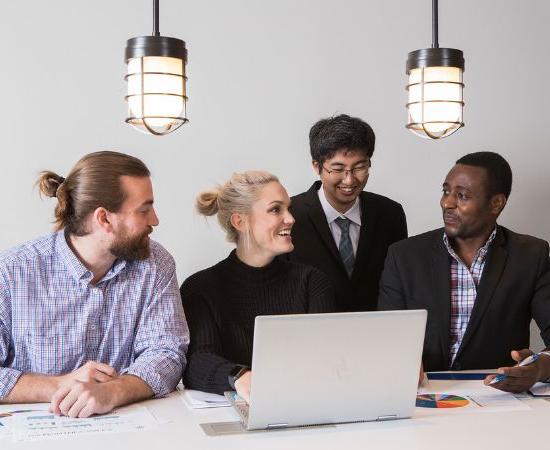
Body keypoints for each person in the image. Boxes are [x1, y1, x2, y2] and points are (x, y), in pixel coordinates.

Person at [0, 151, 189, 416]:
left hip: (132, 431)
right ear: (104, 219)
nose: (155, 220)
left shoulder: (156, 263)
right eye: (144, 210)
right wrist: (59, 386)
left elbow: (166, 353)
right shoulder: (11, 272)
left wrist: (113, 391)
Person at [378, 151, 550, 393]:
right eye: (446, 191)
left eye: (462, 196)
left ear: (496, 203)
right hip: (420, 397)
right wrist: (399, 359)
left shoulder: (531, 255)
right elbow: (385, 336)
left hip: (497, 400)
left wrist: (539, 368)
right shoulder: (404, 255)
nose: (447, 202)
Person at [180, 171, 335, 402]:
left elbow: (329, 358)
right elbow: (197, 362)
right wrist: (240, 376)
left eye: (288, 208)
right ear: (240, 221)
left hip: (306, 408)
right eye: (275, 209)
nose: (291, 218)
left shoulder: (312, 282)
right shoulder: (201, 288)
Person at [288, 114, 407, 312]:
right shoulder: (290, 215)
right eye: (338, 169)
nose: (350, 180)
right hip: (310, 334)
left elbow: (399, 283)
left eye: (360, 167)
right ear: (316, 166)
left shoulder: (390, 213)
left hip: (376, 333)